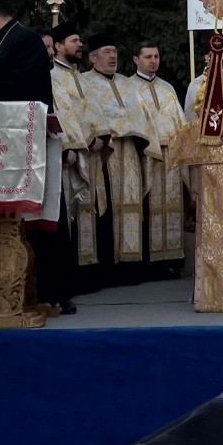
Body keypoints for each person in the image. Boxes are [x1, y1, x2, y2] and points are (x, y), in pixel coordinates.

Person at [0, 0, 71, 310]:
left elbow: (23, 87)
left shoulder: (25, 40)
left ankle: (51, 291)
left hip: (26, 148)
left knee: (38, 221)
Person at [50, 23, 113, 278]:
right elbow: (65, 115)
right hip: (73, 153)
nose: (80, 45)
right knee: (72, 211)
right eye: (74, 40)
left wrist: (102, 136)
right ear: (58, 46)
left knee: (92, 211)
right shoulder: (53, 75)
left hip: (92, 153)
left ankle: (92, 272)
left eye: (79, 41)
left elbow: (93, 110)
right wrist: (82, 142)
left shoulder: (78, 76)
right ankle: (73, 274)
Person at [84, 32, 149, 273]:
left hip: (130, 151)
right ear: (93, 58)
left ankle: (131, 268)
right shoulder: (86, 83)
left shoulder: (127, 84)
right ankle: (108, 267)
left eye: (115, 52)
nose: (113, 56)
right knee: (107, 206)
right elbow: (88, 116)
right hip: (105, 154)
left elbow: (141, 116)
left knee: (131, 205)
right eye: (106, 52)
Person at [128, 41, 185, 268]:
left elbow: (180, 121)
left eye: (156, 56)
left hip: (171, 155)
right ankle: (149, 262)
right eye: (148, 57)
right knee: (147, 207)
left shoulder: (167, 89)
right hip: (145, 156)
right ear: (136, 60)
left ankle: (171, 259)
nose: (153, 61)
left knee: (171, 206)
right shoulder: (128, 87)